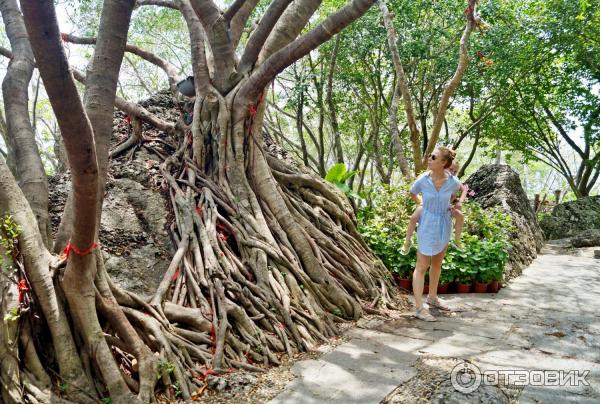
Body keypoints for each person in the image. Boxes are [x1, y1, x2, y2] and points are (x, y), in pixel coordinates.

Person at [408, 147, 462, 321]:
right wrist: (422, 205)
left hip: (444, 223)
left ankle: (432, 297)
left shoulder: (453, 182)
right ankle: (418, 307)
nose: (429, 159)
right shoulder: (423, 180)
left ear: (443, 163)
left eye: (433, 157)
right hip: (427, 223)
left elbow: (455, 195)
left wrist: (452, 205)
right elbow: (413, 192)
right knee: (422, 265)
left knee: (437, 263)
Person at [401, 158, 468, 255]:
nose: (452, 172)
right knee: (413, 218)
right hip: (427, 206)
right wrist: (420, 202)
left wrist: (457, 202)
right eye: (450, 169)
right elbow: (414, 192)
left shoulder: (454, 181)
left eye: (455, 171)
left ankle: (457, 240)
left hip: (444, 208)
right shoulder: (427, 177)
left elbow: (460, 191)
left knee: (460, 215)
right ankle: (407, 241)